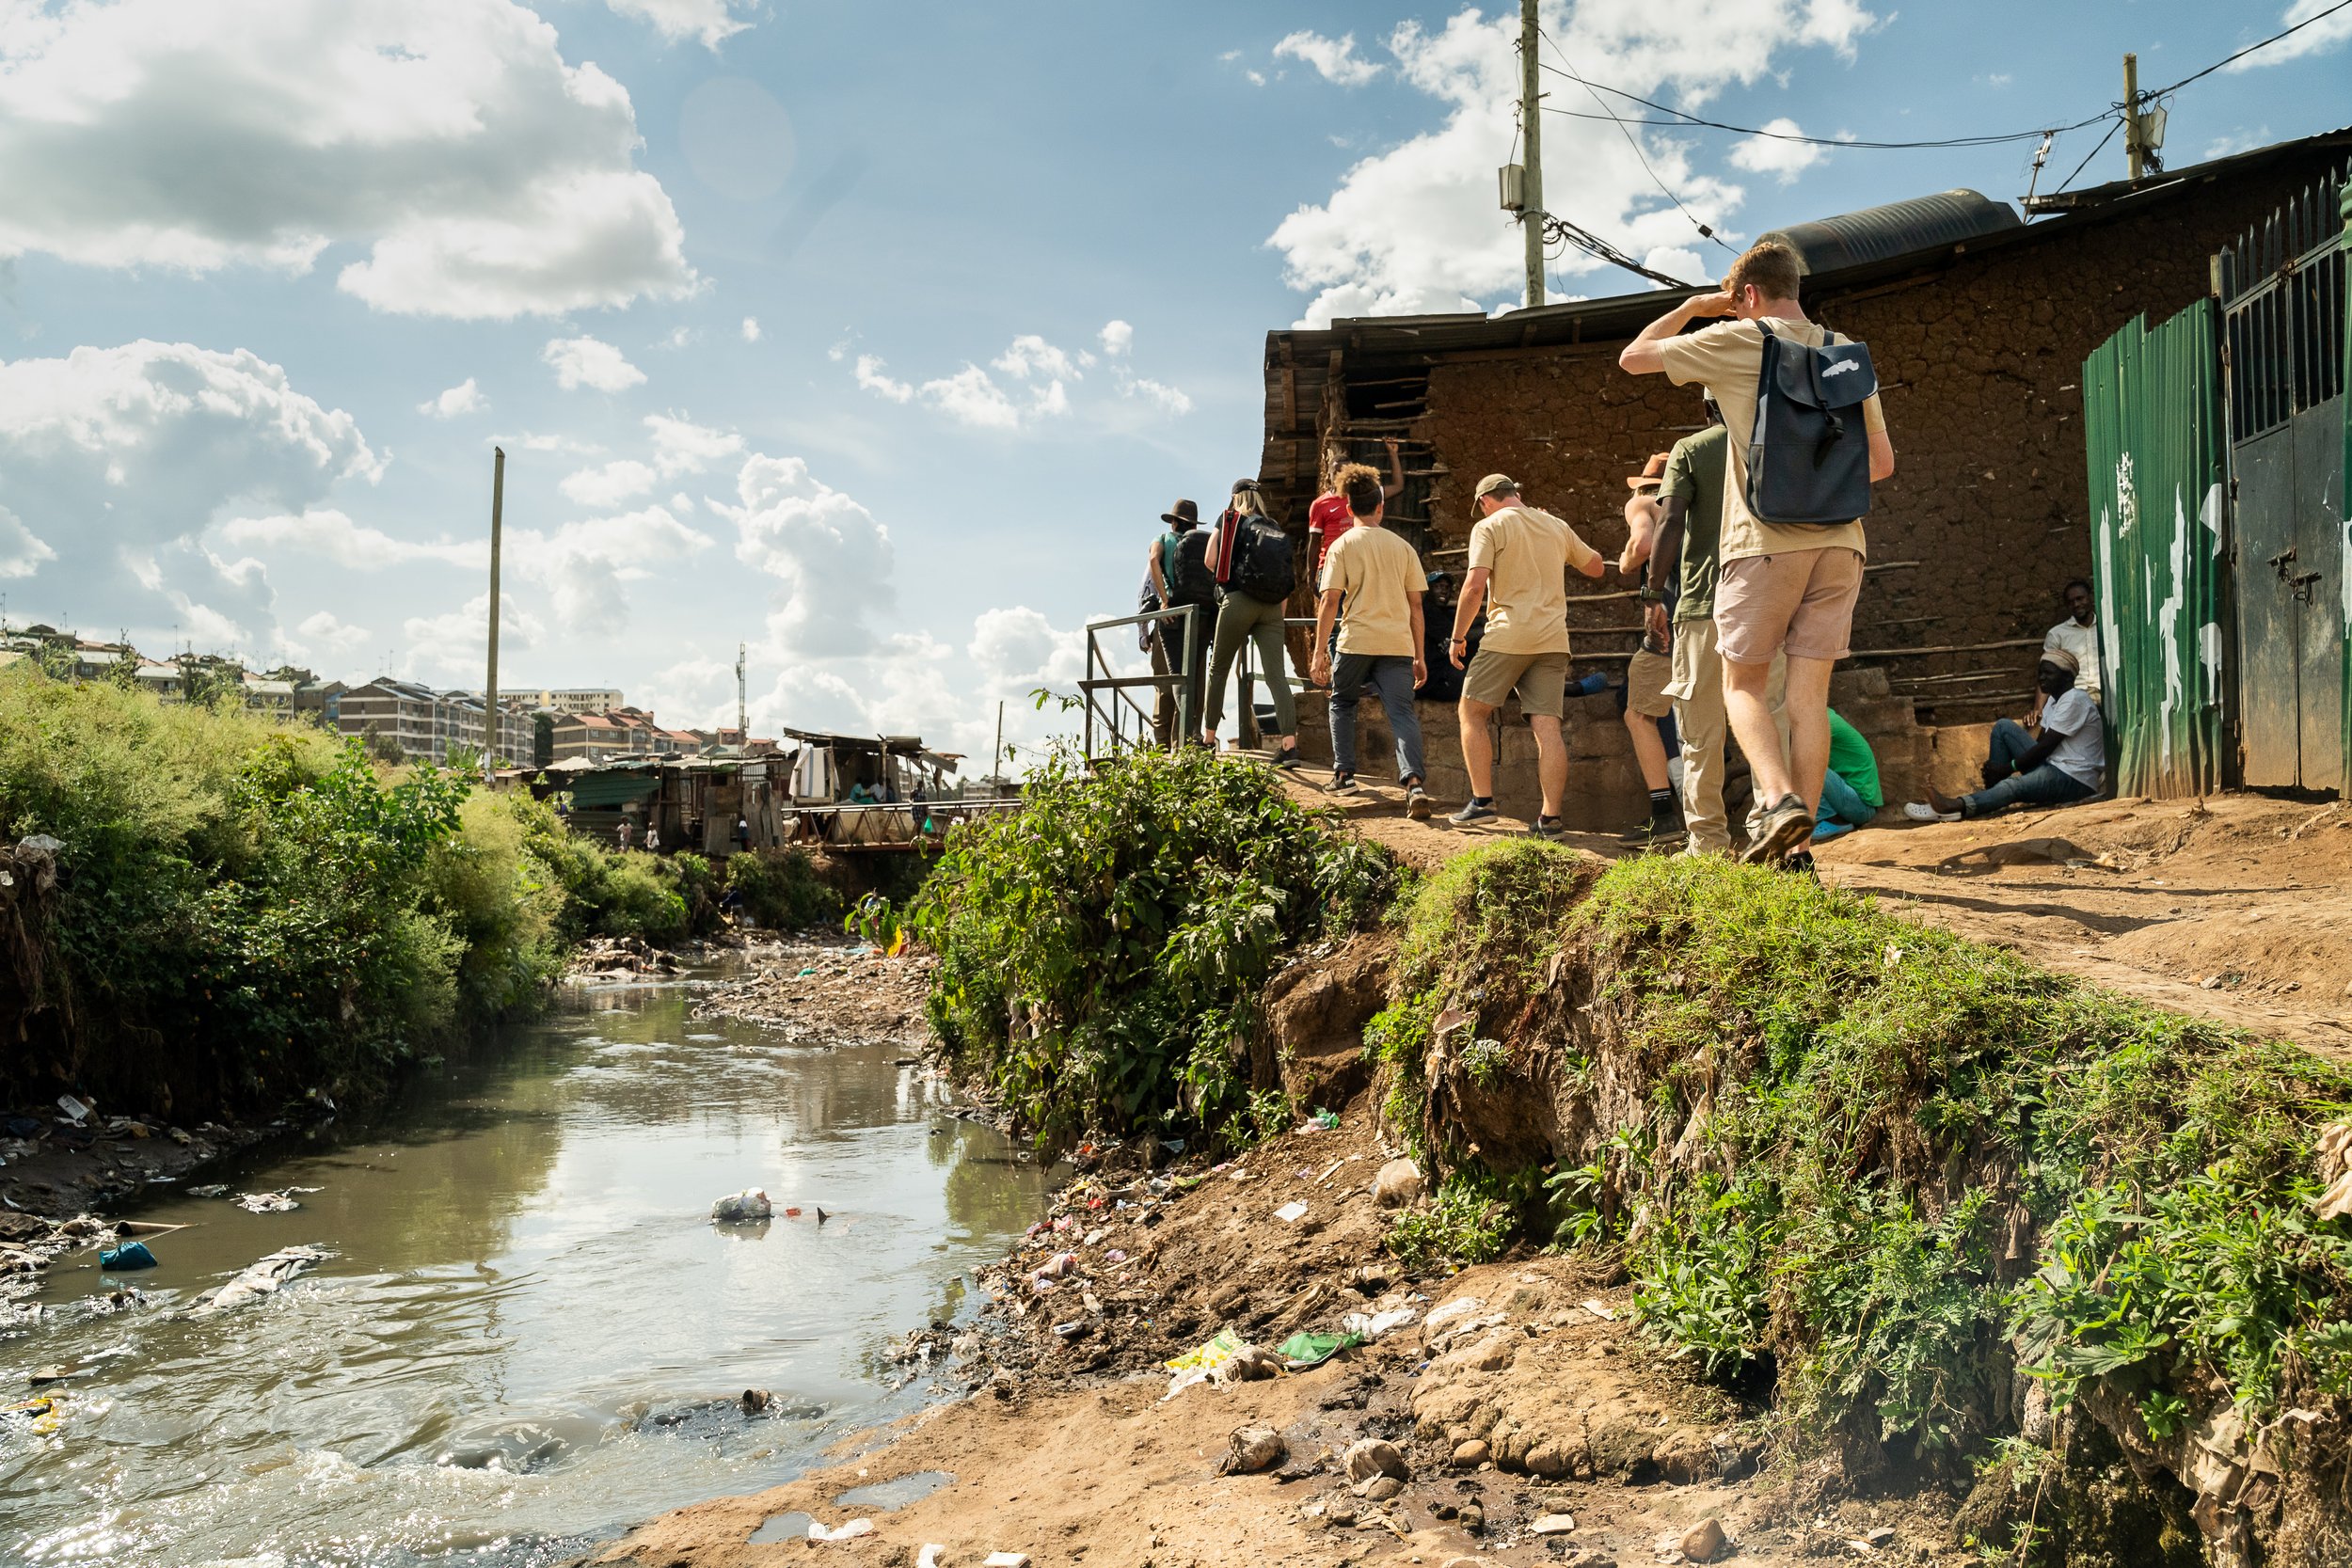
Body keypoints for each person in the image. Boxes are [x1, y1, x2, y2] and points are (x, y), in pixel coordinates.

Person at [1619, 240, 1897, 864]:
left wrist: (1694, 306)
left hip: (1766, 543)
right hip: (1842, 545)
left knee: (1741, 685)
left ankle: (1778, 801)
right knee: (1805, 699)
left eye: (1737, 303)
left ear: (1746, 295)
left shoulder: (1742, 341)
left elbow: (1633, 357)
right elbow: (1880, 464)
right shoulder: (1845, 353)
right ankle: (1797, 855)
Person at [1447, 474, 1606, 838]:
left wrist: (1457, 638)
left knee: (1472, 712)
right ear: (1516, 494)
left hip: (1507, 635)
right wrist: (1555, 537)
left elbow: (1474, 587)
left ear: (1487, 500)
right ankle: (1550, 819)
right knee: (1547, 727)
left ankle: (1482, 803)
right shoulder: (1555, 524)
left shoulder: (1489, 527)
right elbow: (1596, 566)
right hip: (1552, 640)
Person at [1311, 466, 1432, 817]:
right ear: (1381, 507)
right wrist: (1419, 655)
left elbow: (1330, 600)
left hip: (1356, 641)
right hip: (1397, 644)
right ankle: (1414, 785)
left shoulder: (1341, 546)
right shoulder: (1404, 548)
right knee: (1401, 712)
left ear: (1349, 509)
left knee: (1342, 702)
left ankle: (1344, 774)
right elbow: (1416, 607)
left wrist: (1320, 652)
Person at [1906, 649, 2105, 821]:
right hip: (2054, 767)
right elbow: (2040, 742)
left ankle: (1957, 805)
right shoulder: (2053, 701)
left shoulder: (2075, 699)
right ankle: (1991, 796)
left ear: (2067, 677)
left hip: (2074, 779)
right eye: (2040, 673)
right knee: (2003, 727)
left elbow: (2045, 747)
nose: (2041, 678)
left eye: (2048, 673)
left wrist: (2007, 768)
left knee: (2012, 785)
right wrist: (2000, 770)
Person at [1201, 479, 1301, 767]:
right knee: (1276, 676)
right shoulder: (1274, 527)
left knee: (1218, 669)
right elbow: (1285, 577)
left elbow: (1210, 559)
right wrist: (1275, 614)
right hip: (1272, 607)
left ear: (1235, 498)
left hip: (1239, 600)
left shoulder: (1231, 519)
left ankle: (1208, 741)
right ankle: (1289, 745)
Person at [1617, 452, 1682, 840]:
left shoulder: (1644, 501)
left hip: (1670, 618)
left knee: (1638, 713)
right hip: (1715, 615)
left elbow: (1640, 544)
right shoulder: (1704, 500)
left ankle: (1663, 812)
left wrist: (1627, 562)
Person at [1146, 499, 1215, 748]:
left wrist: (1165, 602)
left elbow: (1154, 560)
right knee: (1195, 678)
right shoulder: (1205, 543)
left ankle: (1182, 737)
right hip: (1204, 617)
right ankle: (1192, 734)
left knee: (1176, 676)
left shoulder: (1163, 539)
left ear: (1173, 521)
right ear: (1194, 524)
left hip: (1175, 616)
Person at [1304, 439, 1405, 585]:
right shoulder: (1320, 504)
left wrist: (1393, 454)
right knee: (1334, 606)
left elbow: (1398, 486)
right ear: (1329, 474)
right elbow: (1314, 542)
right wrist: (1311, 576)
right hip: (1330, 567)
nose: (1340, 476)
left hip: (1360, 566)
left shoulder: (1364, 495)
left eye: (1345, 472)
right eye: (1336, 472)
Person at [2036, 578, 2104, 718]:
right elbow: (2047, 672)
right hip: (2076, 696)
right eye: (2071, 602)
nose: (2076, 604)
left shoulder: (2107, 628)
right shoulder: (2057, 634)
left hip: (2107, 694)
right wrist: (2038, 708)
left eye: (2080, 598)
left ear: (2090, 598)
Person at [1812, 711, 1883, 841]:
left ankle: (1832, 820)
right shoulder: (1821, 714)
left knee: (1804, 764)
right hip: (1853, 802)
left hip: (1861, 807)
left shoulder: (1818, 722)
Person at [1415, 572, 1471, 704]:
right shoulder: (1426, 611)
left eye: (1447, 588)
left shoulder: (1443, 614)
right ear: (1428, 589)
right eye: (1438, 586)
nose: (1444, 591)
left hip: (1437, 676)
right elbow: (1459, 635)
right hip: (1429, 680)